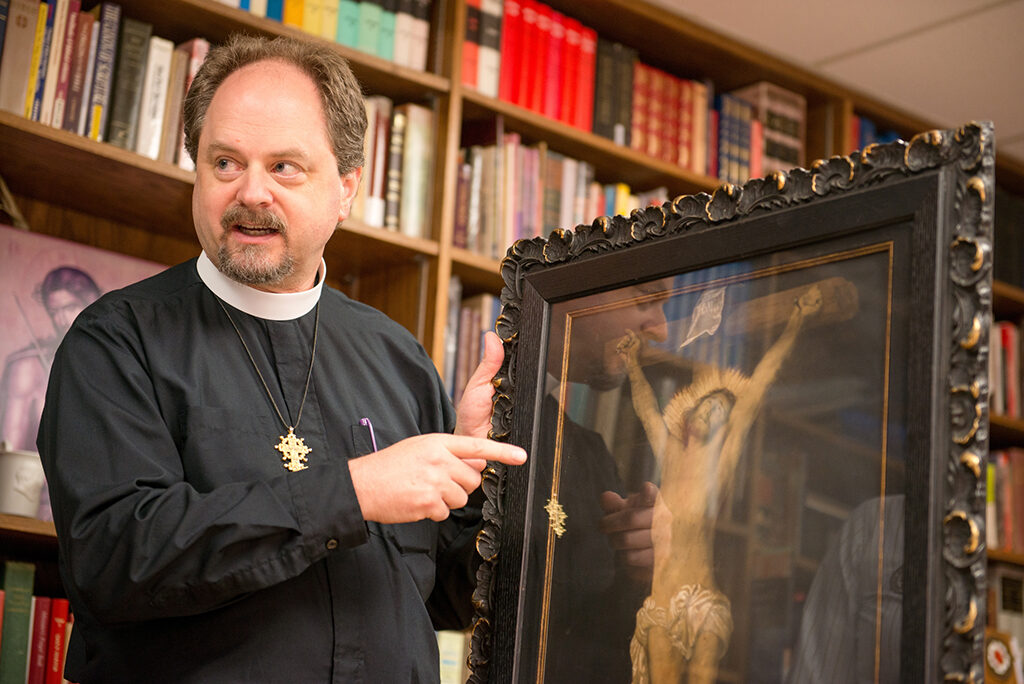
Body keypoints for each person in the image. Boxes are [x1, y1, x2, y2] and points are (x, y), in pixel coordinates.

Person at [37, 35, 526, 683]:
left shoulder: (397, 356)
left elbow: (439, 597)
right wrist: (352, 492)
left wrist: (477, 480)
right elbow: (115, 558)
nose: (253, 192)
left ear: (347, 189)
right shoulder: (116, 340)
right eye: (225, 163)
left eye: (285, 166)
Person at [617, 285, 822, 684]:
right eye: (710, 405)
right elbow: (645, 407)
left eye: (723, 413)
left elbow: (759, 384)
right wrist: (630, 364)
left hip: (702, 602)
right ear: (691, 411)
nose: (716, 413)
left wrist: (796, 322)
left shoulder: (721, 464)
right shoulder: (669, 453)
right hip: (660, 604)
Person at [1, 267, 100, 452]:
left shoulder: (115, 363)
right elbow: (11, 451)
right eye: (54, 312)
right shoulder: (28, 366)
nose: (61, 320)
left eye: (70, 307)